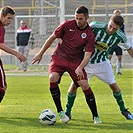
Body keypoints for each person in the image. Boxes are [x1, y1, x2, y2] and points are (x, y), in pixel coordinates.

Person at [32, 6, 102, 124]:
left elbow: (87, 55)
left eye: (81, 19)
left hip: (75, 62)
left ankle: (96, 116)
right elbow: (52, 37)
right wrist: (40, 53)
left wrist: (80, 67)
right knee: (52, 78)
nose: (78, 21)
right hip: (59, 57)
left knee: (84, 84)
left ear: (87, 17)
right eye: (76, 18)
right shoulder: (67, 24)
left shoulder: (89, 34)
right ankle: (60, 111)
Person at [65, 15, 133, 121]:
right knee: (74, 85)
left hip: (102, 63)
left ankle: (124, 110)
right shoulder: (95, 26)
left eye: (115, 28)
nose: (111, 29)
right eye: (110, 26)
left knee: (114, 86)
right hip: (86, 63)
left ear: (119, 28)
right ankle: (67, 112)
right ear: (109, 22)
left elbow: (129, 49)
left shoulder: (121, 37)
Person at [0, 6, 26, 103]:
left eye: (12, 18)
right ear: (2, 16)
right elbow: (1, 44)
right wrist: (17, 54)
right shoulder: (1, 28)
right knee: (2, 86)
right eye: (8, 18)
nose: (10, 21)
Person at [108, 10, 125, 75]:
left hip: (118, 43)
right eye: (116, 14)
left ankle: (118, 70)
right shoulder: (110, 23)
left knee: (119, 57)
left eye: (118, 14)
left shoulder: (122, 24)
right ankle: (109, 69)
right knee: (109, 56)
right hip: (112, 42)